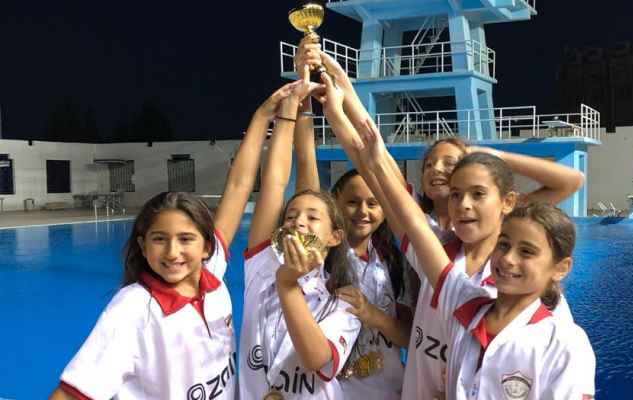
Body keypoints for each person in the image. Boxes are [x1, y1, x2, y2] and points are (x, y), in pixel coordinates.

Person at [315, 50, 584, 400]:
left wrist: (492, 157)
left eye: (477, 192)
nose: (464, 203)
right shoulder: (439, 256)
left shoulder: (525, 294)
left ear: (508, 202)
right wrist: (341, 94)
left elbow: (571, 181)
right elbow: (374, 161)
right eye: (456, 193)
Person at [48, 81, 298, 400]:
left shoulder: (211, 274)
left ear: (206, 246)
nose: (172, 251)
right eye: (159, 239)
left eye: (185, 238)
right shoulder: (133, 310)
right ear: (142, 246)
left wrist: (263, 118)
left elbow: (238, 185)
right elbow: (69, 394)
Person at [355, 124, 596, 399]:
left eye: (527, 252)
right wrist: (376, 163)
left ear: (561, 268)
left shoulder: (563, 342)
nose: (508, 259)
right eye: (503, 245)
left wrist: (494, 155)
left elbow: (572, 180)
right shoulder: (467, 302)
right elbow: (411, 219)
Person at [293, 40, 412, 399]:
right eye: (352, 202)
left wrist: (371, 314)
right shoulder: (321, 253)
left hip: (389, 390)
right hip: (333, 391)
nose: (363, 211)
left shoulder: (394, 260)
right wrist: (303, 95)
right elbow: (306, 176)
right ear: (335, 205)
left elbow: (410, 336)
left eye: (373, 203)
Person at [237, 63, 361, 399]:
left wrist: (288, 283)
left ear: (336, 236)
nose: (298, 221)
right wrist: (290, 109)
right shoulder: (262, 265)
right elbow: (275, 182)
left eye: (312, 217)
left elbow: (318, 361)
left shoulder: (342, 301)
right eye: (290, 216)